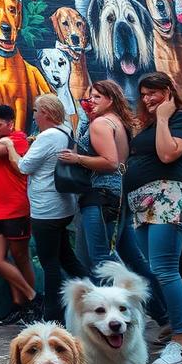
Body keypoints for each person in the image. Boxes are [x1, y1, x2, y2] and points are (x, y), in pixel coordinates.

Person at [0, 94, 85, 322]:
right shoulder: (65, 132)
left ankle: (53, 316)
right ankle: (94, 296)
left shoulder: (48, 137)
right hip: (63, 206)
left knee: (50, 264)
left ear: (46, 113)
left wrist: (9, 146)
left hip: (46, 208)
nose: (34, 114)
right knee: (68, 258)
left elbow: (24, 166)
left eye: (36, 110)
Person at [125, 73, 182, 364]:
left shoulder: (179, 118)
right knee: (156, 269)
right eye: (145, 94)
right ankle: (177, 328)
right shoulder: (147, 123)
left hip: (167, 195)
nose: (148, 99)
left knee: (166, 269)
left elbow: (167, 153)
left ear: (169, 92)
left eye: (155, 93)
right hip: (143, 201)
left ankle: (181, 339)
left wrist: (163, 117)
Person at [0, 104, 43, 325]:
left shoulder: (18, 139)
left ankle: (24, 306)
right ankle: (30, 299)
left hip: (16, 207)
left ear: (10, 124)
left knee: (20, 258)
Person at [58, 80, 131, 277]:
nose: (91, 100)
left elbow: (111, 162)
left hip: (100, 194)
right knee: (130, 257)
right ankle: (155, 306)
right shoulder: (116, 121)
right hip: (116, 193)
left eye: (97, 96)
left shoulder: (101, 123)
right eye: (90, 96)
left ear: (111, 99)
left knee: (100, 258)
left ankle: (117, 301)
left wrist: (77, 158)